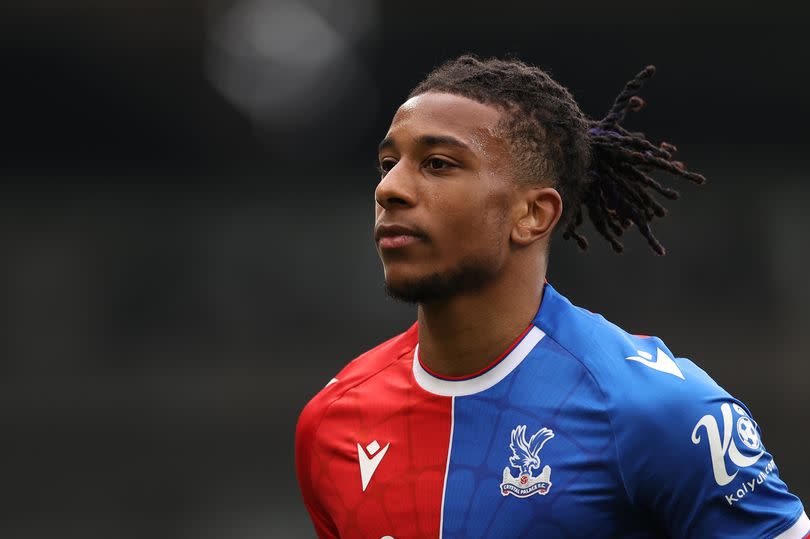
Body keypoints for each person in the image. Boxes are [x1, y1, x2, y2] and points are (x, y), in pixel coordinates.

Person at [295, 55, 807, 538]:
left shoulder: (661, 412)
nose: (390, 189)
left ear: (533, 215)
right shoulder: (332, 422)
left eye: (437, 164)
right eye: (388, 163)